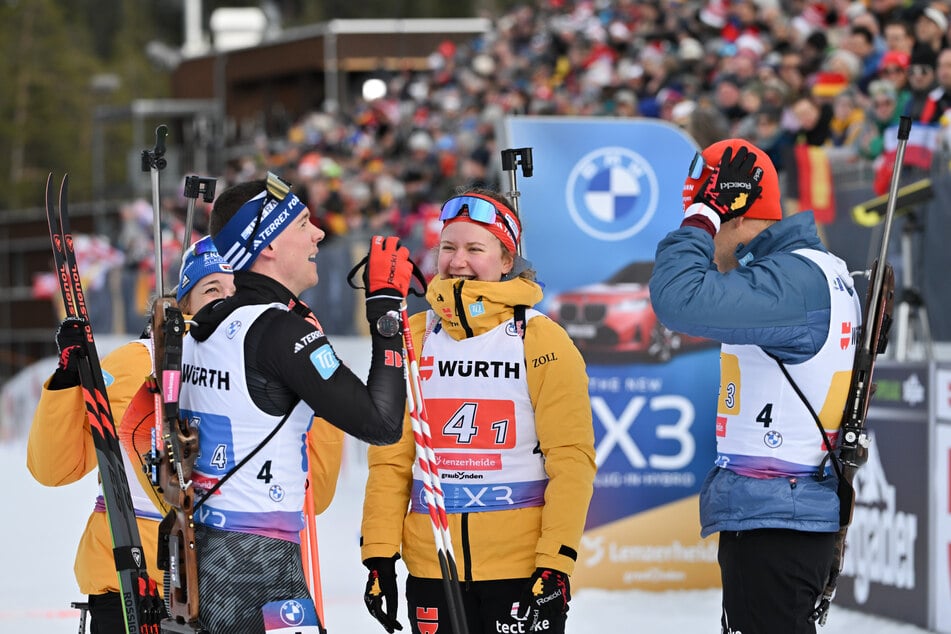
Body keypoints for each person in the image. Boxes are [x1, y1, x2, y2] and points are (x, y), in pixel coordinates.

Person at [180, 173, 411, 633]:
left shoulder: (203, 322)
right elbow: (382, 423)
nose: (319, 234)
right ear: (267, 244)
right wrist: (386, 311)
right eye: (304, 223)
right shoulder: (277, 328)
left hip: (201, 553)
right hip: (258, 560)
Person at [359, 187, 596, 634]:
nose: (457, 260)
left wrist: (555, 563)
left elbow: (572, 460)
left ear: (507, 260)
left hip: (520, 571)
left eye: (474, 248)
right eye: (447, 247)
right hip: (432, 568)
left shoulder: (540, 339)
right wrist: (379, 556)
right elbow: (391, 458)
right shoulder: (413, 334)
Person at [648, 139, 861, 634]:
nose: (700, 233)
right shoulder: (800, 272)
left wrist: (701, 213)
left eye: (704, 220)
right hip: (776, 513)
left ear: (735, 216)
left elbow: (678, 300)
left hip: (778, 521)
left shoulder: (793, 280)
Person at [27, 235, 235, 633]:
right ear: (184, 303)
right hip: (127, 580)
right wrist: (69, 383)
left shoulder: (252, 369)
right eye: (213, 289)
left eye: (235, 292)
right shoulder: (134, 360)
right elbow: (53, 468)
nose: (226, 300)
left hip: (222, 586)